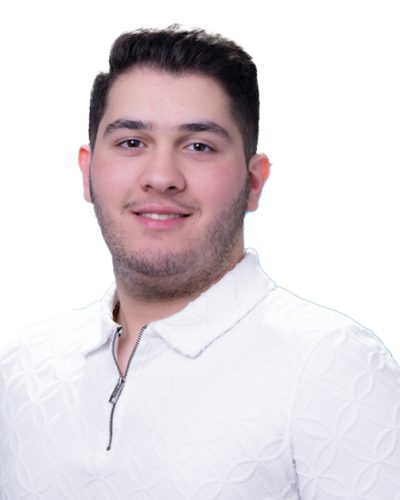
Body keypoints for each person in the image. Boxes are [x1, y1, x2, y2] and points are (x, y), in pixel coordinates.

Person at [1, 26, 399, 500]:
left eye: (199, 146)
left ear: (253, 182)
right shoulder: (25, 367)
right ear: (87, 172)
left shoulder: (334, 366)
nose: (161, 177)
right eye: (131, 142)